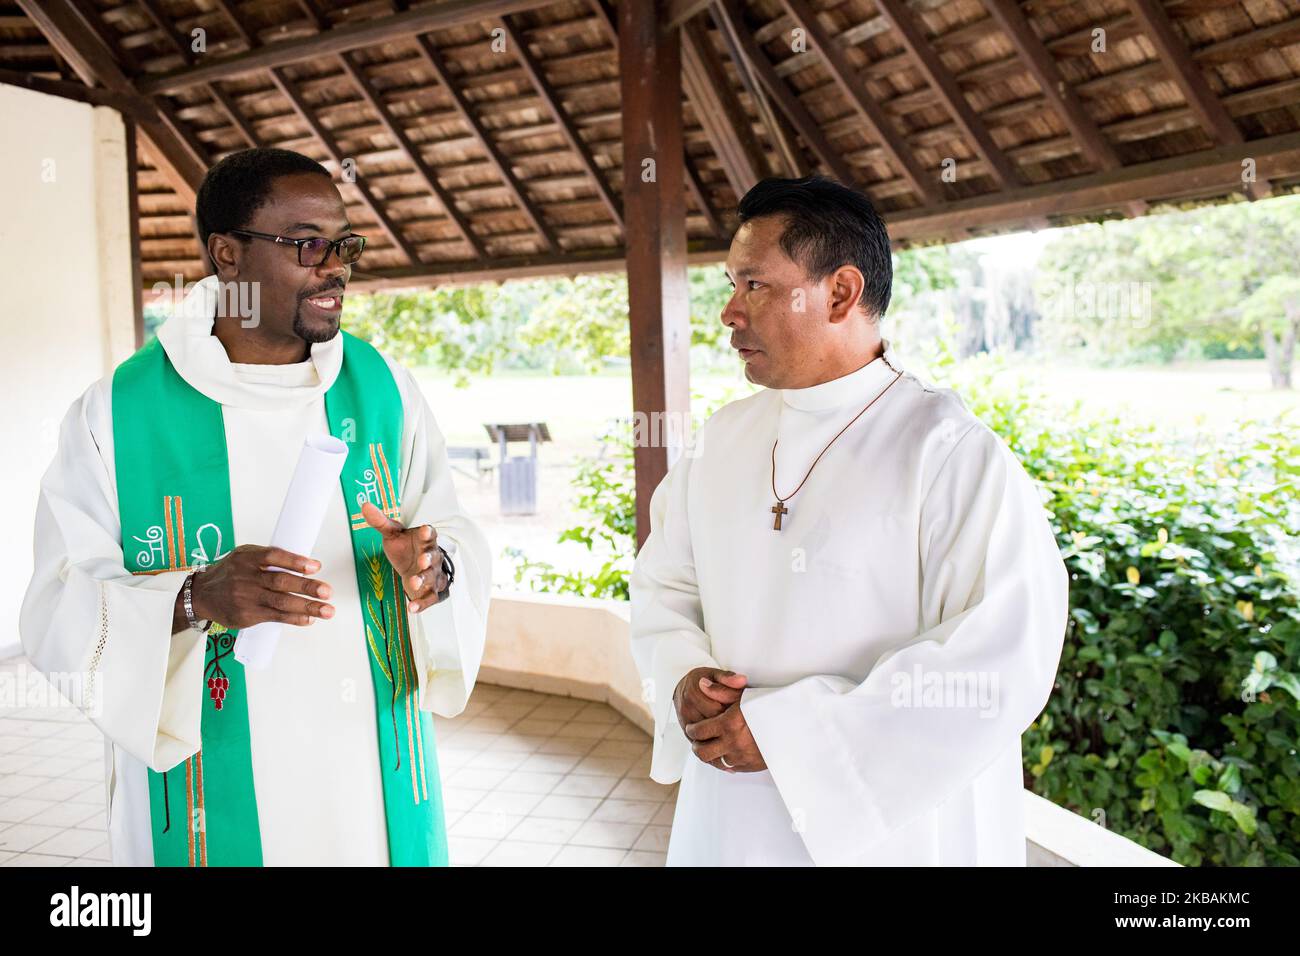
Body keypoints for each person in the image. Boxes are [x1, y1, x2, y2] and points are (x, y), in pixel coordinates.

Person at [20, 147, 491, 866]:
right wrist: (192, 597)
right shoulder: (117, 415)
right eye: (307, 244)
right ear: (228, 255)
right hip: (212, 782)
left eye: (344, 244)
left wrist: (435, 568)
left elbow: (452, 529)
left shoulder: (384, 389)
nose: (334, 265)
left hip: (367, 771)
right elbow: (58, 601)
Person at [629, 176, 1068, 866]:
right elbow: (664, 589)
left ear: (839, 293)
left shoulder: (947, 451)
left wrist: (788, 736)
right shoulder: (723, 438)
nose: (728, 313)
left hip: (893, 834)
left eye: (754, 286)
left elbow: (1000, 656)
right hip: (732, 818)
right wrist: (684, 675)